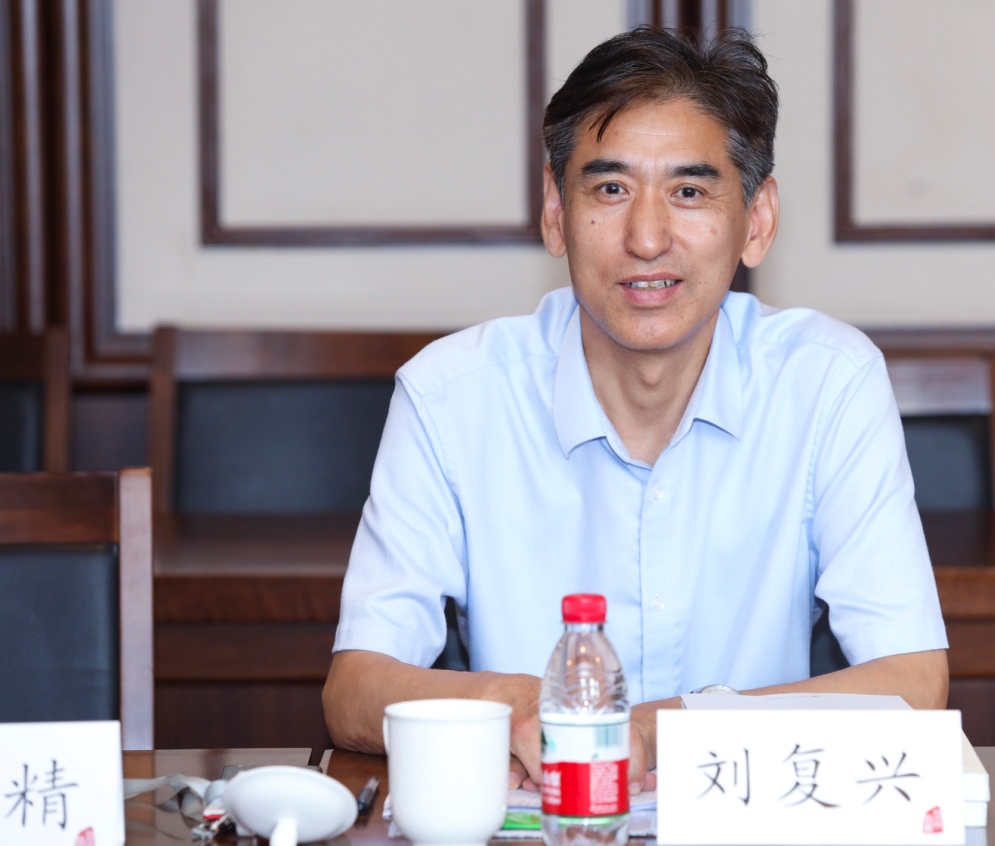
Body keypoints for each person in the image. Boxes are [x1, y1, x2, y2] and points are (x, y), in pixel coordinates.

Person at [323, 25, 948, 793]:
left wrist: (656, 729)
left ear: (755, 220)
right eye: (610, 189)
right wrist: (524, 705)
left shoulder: (827, 383)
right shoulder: (452, 395)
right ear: (554, 211)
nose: (646, 238)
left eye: (689, 192)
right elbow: (354, 691)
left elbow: (912, 684)